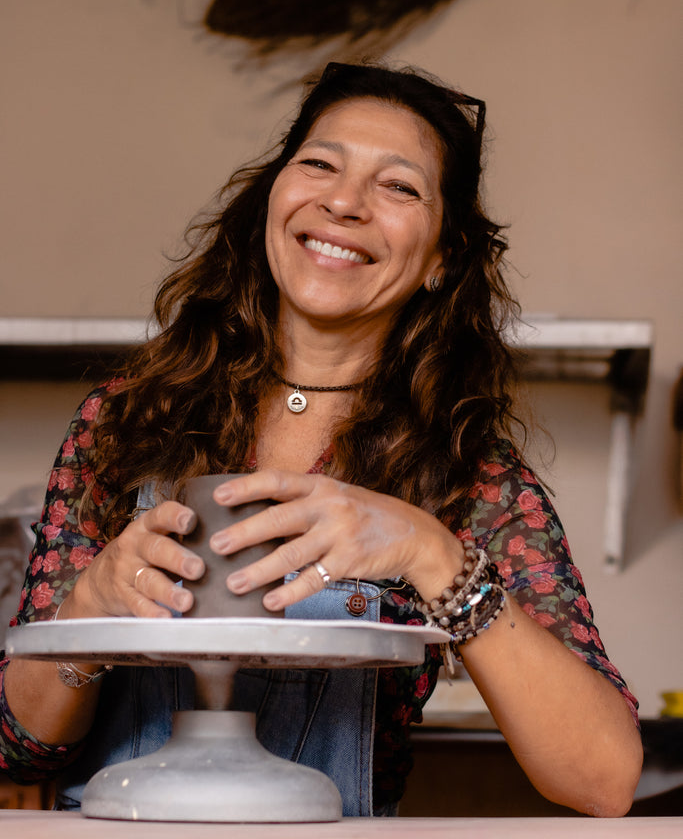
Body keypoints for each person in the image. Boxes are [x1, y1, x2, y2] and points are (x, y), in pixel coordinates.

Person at [0, 61, 642, 817]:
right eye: (319, 165)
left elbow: (603, 780)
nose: (343, 202)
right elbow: (16, 747)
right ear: (272, 200)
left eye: (398, 186)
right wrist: (91, 608)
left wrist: (430, 553)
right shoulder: (126, 421)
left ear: (441, 257)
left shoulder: (470, 478)